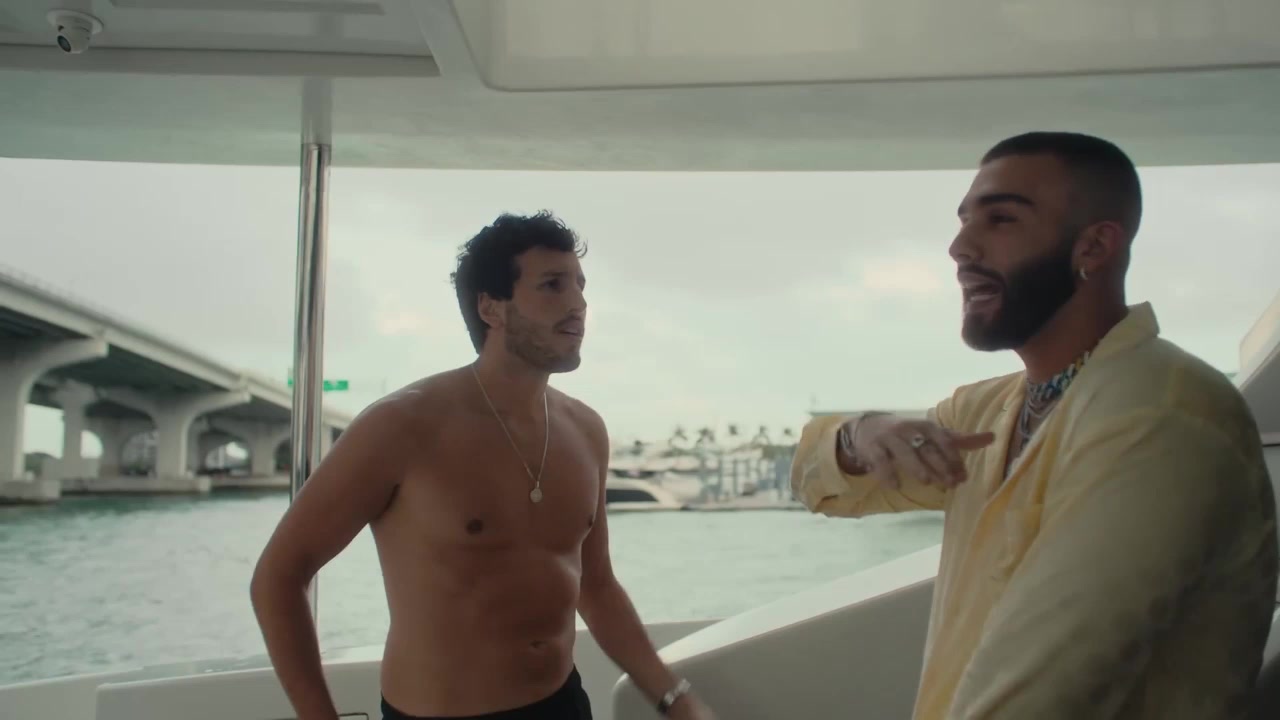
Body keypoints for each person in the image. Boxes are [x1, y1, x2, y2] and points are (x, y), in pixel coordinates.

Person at [791, 132, 1278, 719]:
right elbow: (820, 486)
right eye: (964, 221)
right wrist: (862, 433)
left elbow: (1043, 694)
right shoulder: (988, 410)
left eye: (1000, 220)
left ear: (1093, 247)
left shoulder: (1161, 417)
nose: (959, 248)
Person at [251, 212, 716, 720]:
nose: (578, 303)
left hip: (563, 704)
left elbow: (597, 586)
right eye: (552, 285)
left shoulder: (586, 430)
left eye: (580, 285)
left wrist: (675, 698)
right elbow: (278, 577)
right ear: (491, 307)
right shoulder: (403, 425)